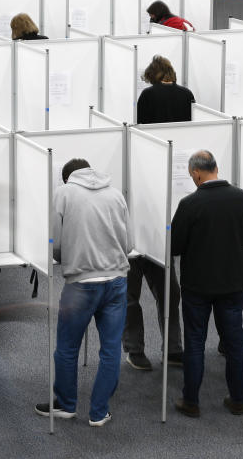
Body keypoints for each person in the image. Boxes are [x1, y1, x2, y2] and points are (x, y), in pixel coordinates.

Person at [34, 158, 131, 425]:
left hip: (81, 284)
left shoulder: (63, 194)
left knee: (67, 347)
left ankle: (66, 404)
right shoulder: (115, 194)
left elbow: (55, 243)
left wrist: (68, 256)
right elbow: (129, 243)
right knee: (111, 350)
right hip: (116, 281)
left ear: (67, 178)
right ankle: (99, 412)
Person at [171, 150, 243, 418]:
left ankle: (191, 402)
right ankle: (238, 400)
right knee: (235, 342)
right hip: (232, 283)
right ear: (216, 168)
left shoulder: (189, 204)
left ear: (196, 173)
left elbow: (175, 246)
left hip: (197, 286)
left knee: (195, 342)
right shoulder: (242, 198)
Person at [123, 55, 191, 371]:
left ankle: (135, 349)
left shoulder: (147, 97)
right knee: (170, 292)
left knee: (130, 295)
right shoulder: (187, 95)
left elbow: (141, 131)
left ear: (151, 77)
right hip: (167, 205)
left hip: (139, 221)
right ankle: (174, 348)